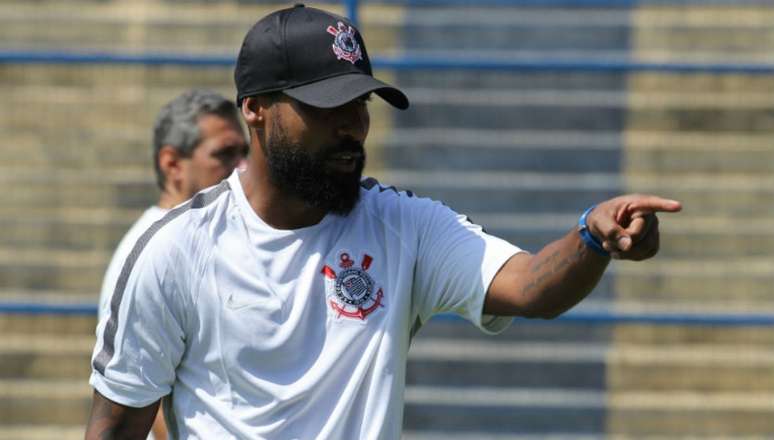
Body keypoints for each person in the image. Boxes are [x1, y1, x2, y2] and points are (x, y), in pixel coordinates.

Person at [85, 5, 681, 439]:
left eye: (361, 103)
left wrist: (592, 238)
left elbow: (530, 287)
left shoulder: (404, 226)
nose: (353, 125)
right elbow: (116, 428)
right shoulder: (175, 251)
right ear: (256, 109)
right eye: (326, 106)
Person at [95, 89, 248, 439]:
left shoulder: (203, 237)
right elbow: (145, 397)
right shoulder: (151, 251)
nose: (243, 167)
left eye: (245, 152)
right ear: (172, 164)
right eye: (224, 155)